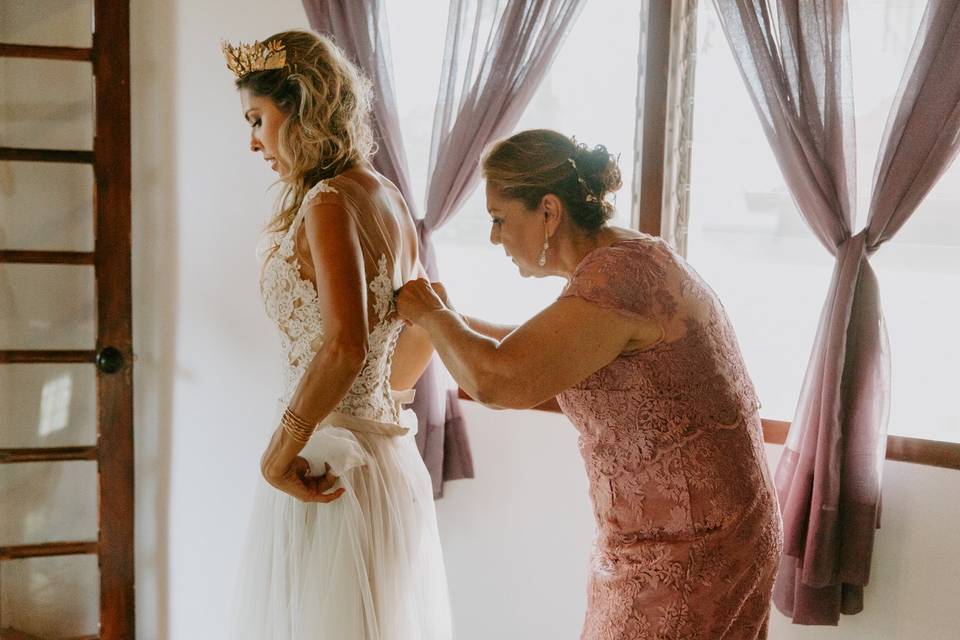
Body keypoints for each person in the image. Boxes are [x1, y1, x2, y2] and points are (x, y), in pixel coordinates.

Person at [396, 129, 783, 639]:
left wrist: (432, 314)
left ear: (549, 212)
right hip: (698, 531)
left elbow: (500, 380)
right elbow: (530, 349)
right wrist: (445, 320)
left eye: (498, 218)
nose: (493, 237)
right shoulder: (621, 258)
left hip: (693, 547)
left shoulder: (617, 279)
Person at [223, 31, 451, 639]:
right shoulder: (388, 197)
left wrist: (279, 455)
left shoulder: (328, 201)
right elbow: (424, 328)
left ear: (299, 107)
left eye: (258, 119)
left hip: (326, 467)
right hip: (386, 460)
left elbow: (346, 344)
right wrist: (369, 396)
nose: (253, 141)